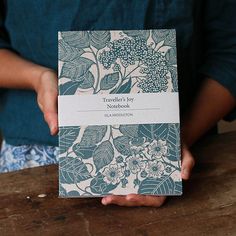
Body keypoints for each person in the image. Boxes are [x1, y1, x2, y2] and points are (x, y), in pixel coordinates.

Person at [0, 0, 235, 207]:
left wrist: (175, 141)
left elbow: (229, 54)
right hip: (36, 164)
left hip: (179, 159)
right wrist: (37, 78)